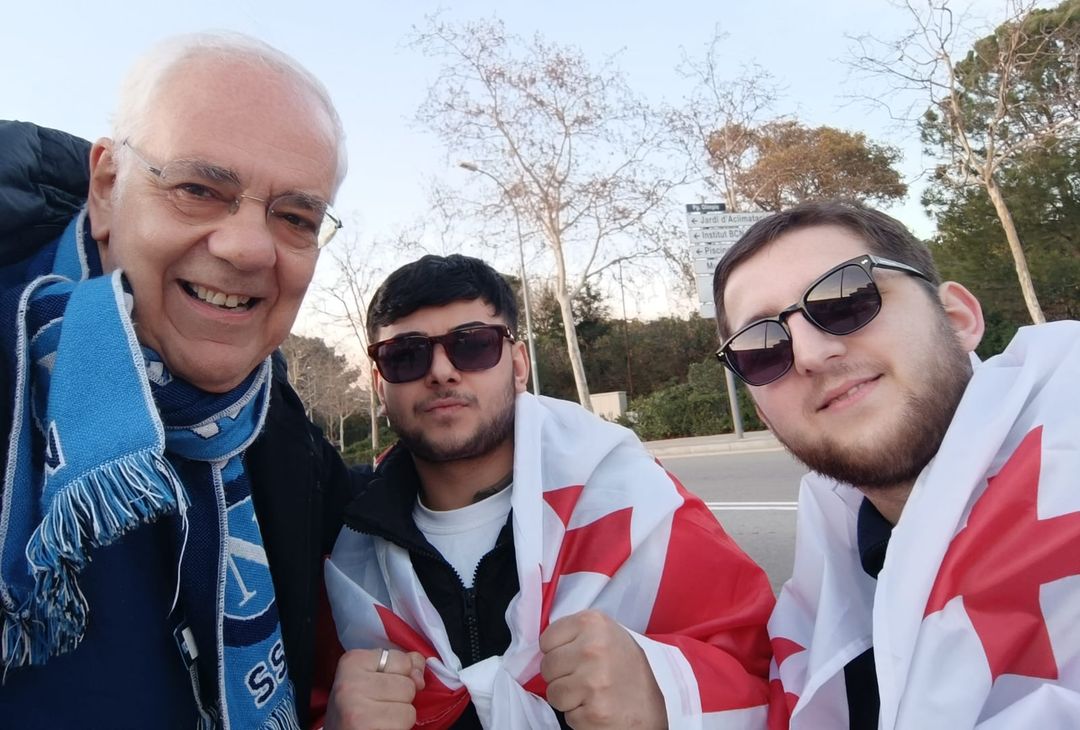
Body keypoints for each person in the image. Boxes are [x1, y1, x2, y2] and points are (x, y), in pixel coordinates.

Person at [0, 33, 364, 729]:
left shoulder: (268, 417)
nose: (248, 247)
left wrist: (537, 449)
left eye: (295, 217)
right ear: (107, 189)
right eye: (200, 189)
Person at [322, 254, 776, 729]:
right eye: (405, 355)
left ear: (518, 365)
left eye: (473, 345)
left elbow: (768, 670)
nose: (441, 372)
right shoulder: (343, 551)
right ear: (379, 383)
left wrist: (665, 692)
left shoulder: (636, 502)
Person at [710, 200, 1080, 729]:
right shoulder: (824, 602)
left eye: (846, 298)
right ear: (763, 411)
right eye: (762, 347)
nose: (812, 353)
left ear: (958, 320)